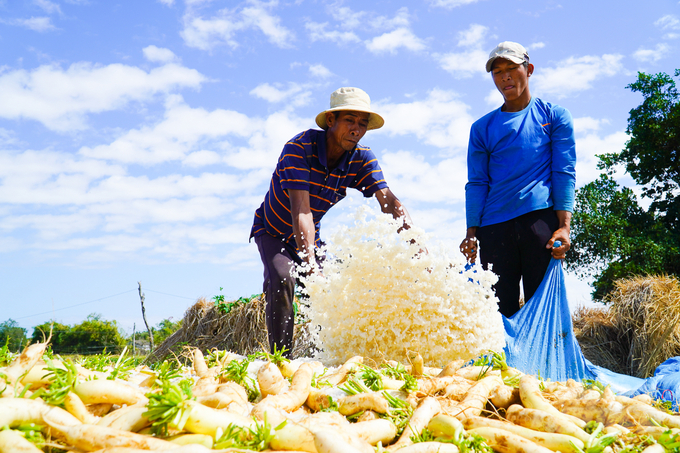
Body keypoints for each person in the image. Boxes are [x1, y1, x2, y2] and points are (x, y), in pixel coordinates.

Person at [250, 87, 414, 356]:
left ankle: (322, 358)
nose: (356, 129)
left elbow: (389, 201)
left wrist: (417, 244)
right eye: (349, 120)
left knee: (329, 292)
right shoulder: (299, 149)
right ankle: (281, 359)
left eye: (362, 124)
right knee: (282, 277)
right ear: (330, 121)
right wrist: (310, 264)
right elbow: (301, 211)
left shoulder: (361, 159)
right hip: (274, 231)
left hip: (310, 235)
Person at [459, 41, 576, 318]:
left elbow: (564, 171)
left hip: (539, 223)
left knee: (542, 310)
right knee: (499, 313)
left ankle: (542, 363)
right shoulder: (482, 128)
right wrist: (471, 233)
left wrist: (564, 227)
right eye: (497, 71)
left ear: (529, 69)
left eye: (512, 68)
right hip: (494, 229)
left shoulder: (554, 116)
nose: (505, 76)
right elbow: (477, 183)